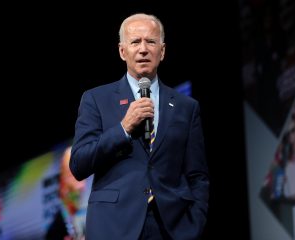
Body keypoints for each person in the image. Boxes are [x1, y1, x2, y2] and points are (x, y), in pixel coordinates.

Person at [69, 13, 209, 240]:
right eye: (135, 42)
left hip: (172, 228)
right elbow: (79, 164)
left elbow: (197, 175)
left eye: (150, 42)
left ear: (162, 51)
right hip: (114, 227)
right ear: (122, 51)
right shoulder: (96, 99)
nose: (143, 49)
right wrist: (123, 128)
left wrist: (195, 222)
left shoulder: (186, 107)